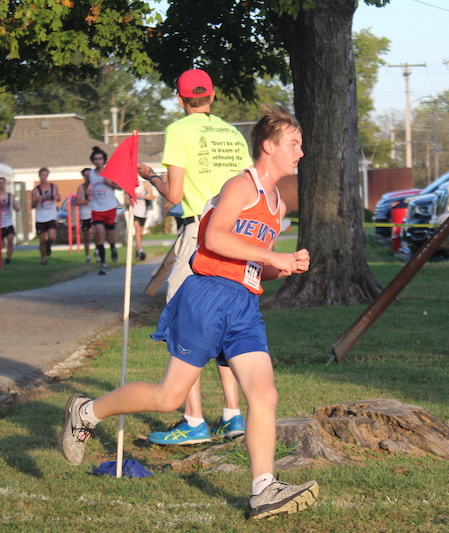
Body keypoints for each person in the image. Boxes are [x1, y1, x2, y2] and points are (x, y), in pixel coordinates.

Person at [59, 105, 317, 519]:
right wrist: (275, 257)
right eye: (294, 144)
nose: (300, 152)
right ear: (269, 146)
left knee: (264, 394)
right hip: (207, 296)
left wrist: (283, 266)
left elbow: (255, 264)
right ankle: (86, 412)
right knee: (169, 397)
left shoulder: (278, 205)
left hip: (244, 305)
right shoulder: (241, 186)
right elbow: (213, 238)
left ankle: (263, 489)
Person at [136, 68, 254, 445]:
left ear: (180, 99)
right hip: (236, 233)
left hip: (199, 233)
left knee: (185, 322)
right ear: (212, 95)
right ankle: (233, 415)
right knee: (226, 321)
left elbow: (174, 195)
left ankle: (193, 421)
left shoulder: (178, 131)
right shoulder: (233, 133)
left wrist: (150, 176)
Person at [88, 147, 121, 275]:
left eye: (100, 159)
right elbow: (86, 186)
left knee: (110, 237)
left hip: (110, 208)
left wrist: (110, 183)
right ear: (93, 161)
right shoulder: (90, 174)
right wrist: (86, 190)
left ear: (104, 160)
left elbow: (120, 187)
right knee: (99, 235)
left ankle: (113, 247)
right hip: (96, 208)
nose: (98, 161)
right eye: (95, 159)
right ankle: (103, 265)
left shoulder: (110, 172)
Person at [0, 177, 20, 265]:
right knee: (1, 245)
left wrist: (17, 208)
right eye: (0, 183)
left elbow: (15, 206)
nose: (2, 185)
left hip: (9, 223)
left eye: (3, 183)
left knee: (10, 240)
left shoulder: (11, 196)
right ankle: (1, 255)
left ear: (5, 184)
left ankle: (8, 260)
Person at [31, 167, 60, 265]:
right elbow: (32, 206)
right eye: (42, 175)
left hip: (51, 216)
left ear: (47, 176)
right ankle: (43, 259)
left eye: (45, 175)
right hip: (40, 218)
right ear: (39, 176)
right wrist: (37, 200)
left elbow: (59, 198)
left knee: (52, 237)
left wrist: (56, 197)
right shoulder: (35, 190)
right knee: (42, 240)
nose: (44, 177)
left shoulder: (53, 187)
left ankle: (48, 245)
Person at [131, 178, 155, 261]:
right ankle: (140, 250)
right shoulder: (130, 184)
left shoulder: (143, 184)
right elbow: (126, 197)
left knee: (141, 233)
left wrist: (142, 196)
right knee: (137, 230)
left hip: (143, 211)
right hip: (134, 211)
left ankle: (138, 247)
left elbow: (152, 197)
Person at [76, 168, 94, 263]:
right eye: (86, 175)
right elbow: (77, 202)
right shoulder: (81, 188)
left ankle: (98, 251)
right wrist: (87, 200)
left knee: (97, 233)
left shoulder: (95, 186)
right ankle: (87, 255)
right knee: (86, 236)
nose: (88, 177)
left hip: (94, 212)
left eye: (89, 175)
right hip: (85, 214)